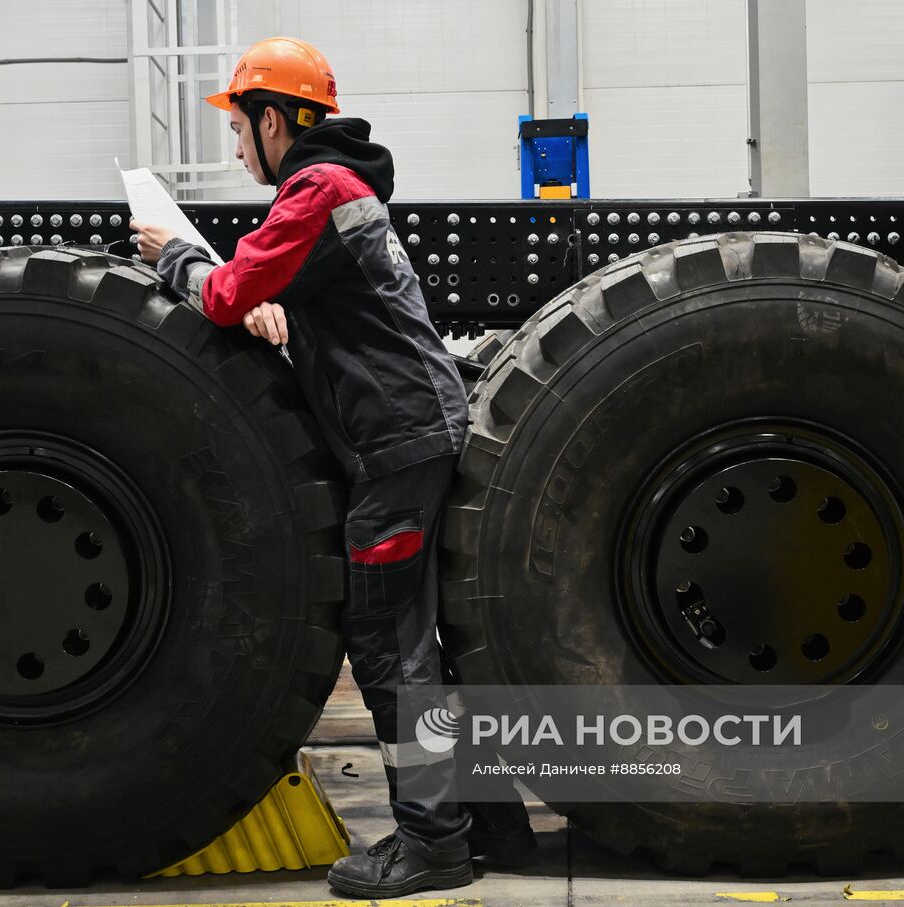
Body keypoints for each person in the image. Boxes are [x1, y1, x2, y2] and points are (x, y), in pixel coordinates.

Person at [133, 36, 533, 899]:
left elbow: (225, 293)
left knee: (392, 646)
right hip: (409, 434)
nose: (238, 150)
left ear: (272, 121)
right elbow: (289, 293)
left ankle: (433, 841)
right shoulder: (338, 190)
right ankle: (486, 819)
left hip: (396, 445)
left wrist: (172, 252)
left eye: (240, 131)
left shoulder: (314, 190)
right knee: (423, 642)